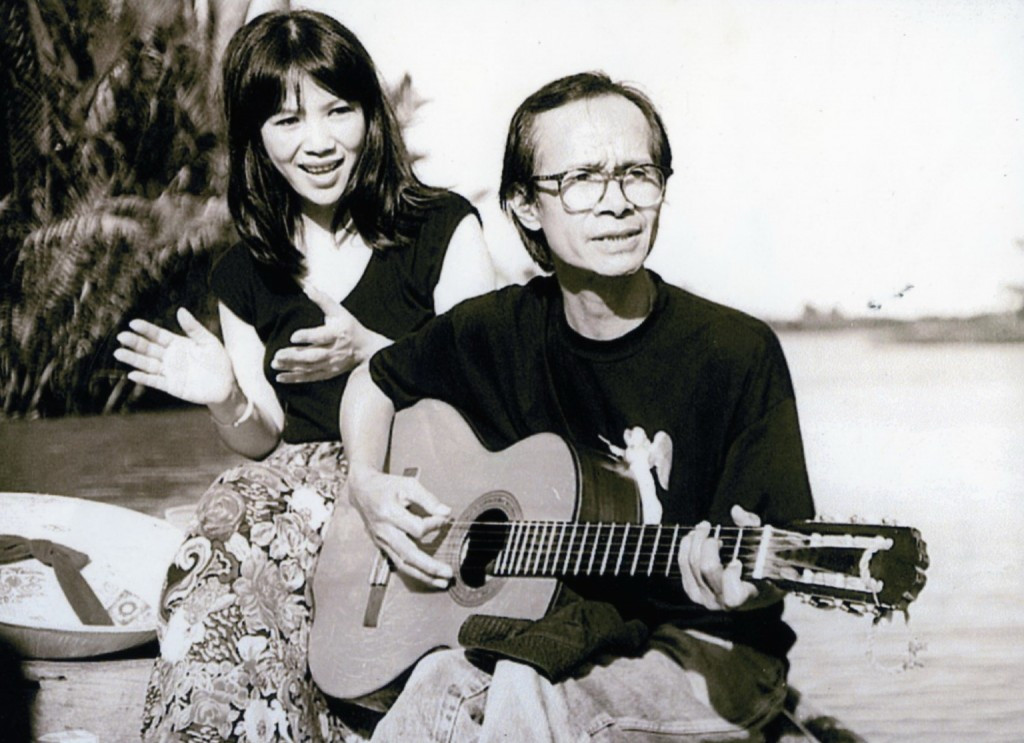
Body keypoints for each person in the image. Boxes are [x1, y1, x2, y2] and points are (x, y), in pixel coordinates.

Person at [338, 72, 815, 741]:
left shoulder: (736, 352)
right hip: (553, 634)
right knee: (437, 683)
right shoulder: (496, 330)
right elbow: (374, 380)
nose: (617, 203)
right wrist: (366, 482)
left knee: (525, 684)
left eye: (637, 174)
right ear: (525, 205)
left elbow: (779, 551)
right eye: (582, 179)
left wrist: (745, 584)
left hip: (707, 648)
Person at [114, 10, 495, 741]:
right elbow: (264, 437)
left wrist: (368, 347)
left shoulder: (444, 228)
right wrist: (226, 395)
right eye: (286, 120)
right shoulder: (243, 272)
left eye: (337, 111)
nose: (317, 142)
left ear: (369, 115)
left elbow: (492, 385)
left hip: (425, 479)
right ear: (256, 137)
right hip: (298, 497)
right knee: (228, 530)